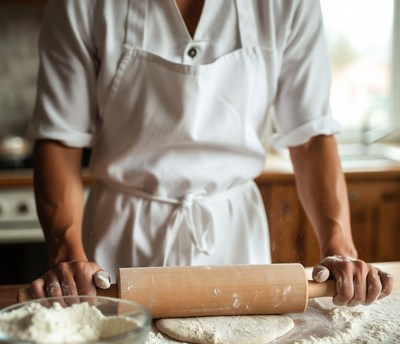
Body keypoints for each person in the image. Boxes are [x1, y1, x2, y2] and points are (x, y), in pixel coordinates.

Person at [27, 0, 392, 306]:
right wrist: (69, 258)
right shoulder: (82, 4)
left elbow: (311, 138)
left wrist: (340, 246)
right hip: (120, 237)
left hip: (234, 234)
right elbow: (60, 138)